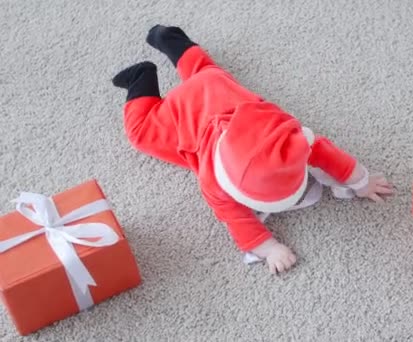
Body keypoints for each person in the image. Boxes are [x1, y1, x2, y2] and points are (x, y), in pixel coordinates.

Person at [111, 25, 394, 274]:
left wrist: (361, 181)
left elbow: (325, 153)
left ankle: (168, 40)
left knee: (204, 73)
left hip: (213, 89)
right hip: (199, 101)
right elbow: (237, 220)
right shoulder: (214, 180)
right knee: (143, 132)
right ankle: (142, 76)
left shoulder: (291, 139)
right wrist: (269, 248)